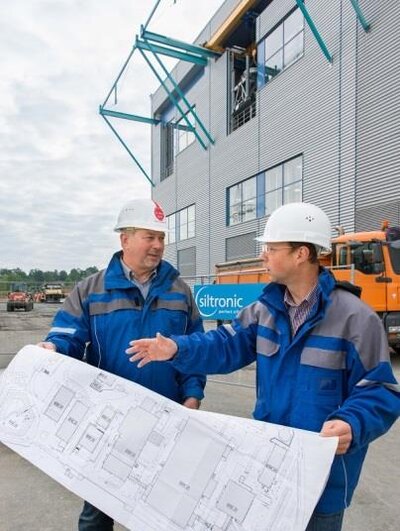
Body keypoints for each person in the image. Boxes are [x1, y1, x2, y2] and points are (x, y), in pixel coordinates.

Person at [128, 202, 400, 531]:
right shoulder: (264, 310)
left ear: (301, 253)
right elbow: (224, 345)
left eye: (271, 248)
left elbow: (380, 390)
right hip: (268, 470)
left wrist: (352, 423)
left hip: (322, 478)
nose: (263, 256)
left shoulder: (356, 319)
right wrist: (175, 348)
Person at [38, 198, 206, 531]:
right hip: (108, 422)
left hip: (167, 421)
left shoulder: (179, 291)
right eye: (149, 236)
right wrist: (53, 347)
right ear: (124, 239)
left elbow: (194, 349)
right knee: (97, 513)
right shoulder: (91, 289)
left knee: (164, 514)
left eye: (161, 237)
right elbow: (67, 335)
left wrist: (193, 394)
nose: (158, 245)